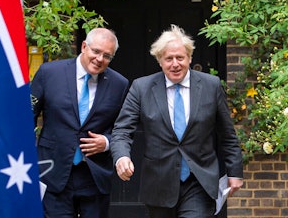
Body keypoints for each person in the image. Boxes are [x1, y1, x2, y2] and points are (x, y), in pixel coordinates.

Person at [110, 24, 243, 218]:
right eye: (168, 59)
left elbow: (227, 134)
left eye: (180, 58)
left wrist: (235, 172)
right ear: (160, 61)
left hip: (199, 180)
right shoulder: (142, 87)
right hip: (158, 182)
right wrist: (122, 156)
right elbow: (122, 130)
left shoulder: (210, 86)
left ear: (189, 58)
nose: (175, 64)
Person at [30, 27, 129, 218]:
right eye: (96, 51)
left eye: (107, 56)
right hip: (53, 170)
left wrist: (106, 142)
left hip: (94, 175)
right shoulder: (49, 73)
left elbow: (123, 128)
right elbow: (27, 117)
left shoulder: (119, 84)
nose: (100, 59)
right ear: (84, 46)